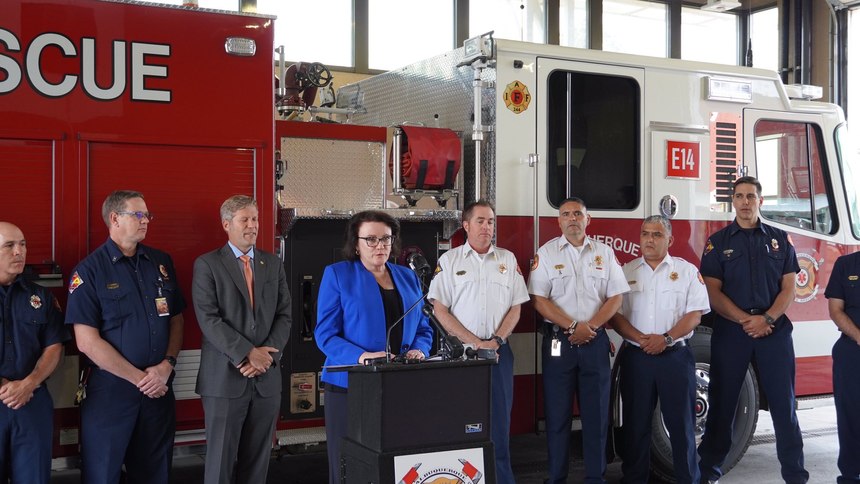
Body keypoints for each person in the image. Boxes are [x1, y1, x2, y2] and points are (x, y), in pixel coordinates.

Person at [65, 190, 185, 484]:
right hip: (112, 393)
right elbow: (86, 341)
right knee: (102, 474)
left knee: (155, 473)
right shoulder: (89, 271)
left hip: (158, 388)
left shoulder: (161, 262)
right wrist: (139, 379)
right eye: (138, 215)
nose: (146, 221)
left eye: (147, 215)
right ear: (114, 218)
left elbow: (177, 319)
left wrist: (166, 365)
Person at [697, 176, 808, 484]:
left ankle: (796, 477)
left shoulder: (779, 239)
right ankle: (708, 475)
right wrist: (746, 320)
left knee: (784, 409)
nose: (745, 202)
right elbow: (713, 292)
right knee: (722, 405)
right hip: (733, 331)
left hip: (774, 331)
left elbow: (789, 288)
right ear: (732, 201)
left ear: (761, 201)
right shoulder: (718, 243)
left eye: (751, 196)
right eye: (739, 196)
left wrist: (768, 319)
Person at [315, 210, 434, 484]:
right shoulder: (337, 275)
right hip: (350, 385)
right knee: (349, 465)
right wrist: (362, 356)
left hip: (398, 383)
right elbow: (325, 335)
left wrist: (420, 350)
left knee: (395, 461)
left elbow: (424, 328)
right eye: (370, 239)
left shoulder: (407, 276)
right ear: (355, 244)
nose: (379, 245)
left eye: (385, 239)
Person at [191, 195, 292, 484]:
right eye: (244, 219)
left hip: (266, 380)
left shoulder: (271, 264)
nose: (252, 225)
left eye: (255, 219)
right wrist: (248, 353)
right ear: (226, 224)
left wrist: (267, 357)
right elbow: (209, 319)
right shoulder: (207, 264)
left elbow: (285, 315)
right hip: (224, 380)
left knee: (258, 462)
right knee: (220, 463)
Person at [528, 197, 629, 484]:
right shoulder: (546, 254)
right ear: (558, 221)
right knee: (557, 417)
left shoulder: (605, 254)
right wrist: (573, 326)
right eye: (566, 215)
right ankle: (556, 478)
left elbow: (616, 296)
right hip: (560, 343)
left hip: (595, 342)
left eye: (577, 214)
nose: (572, 219)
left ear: (588, 220)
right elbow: (539, 299)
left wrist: (592, 326)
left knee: (596, 418)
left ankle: (595, 478)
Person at [428, 200, 529, 484]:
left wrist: (496, 340)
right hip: (461, 357)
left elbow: (516, 307)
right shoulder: (449, 262)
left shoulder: (507, 261)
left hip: (498, 353)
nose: (487, 227)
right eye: (481, 221)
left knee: (499, 425)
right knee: (460, 424)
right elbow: (439, 309)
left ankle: (502, 479)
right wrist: (474, 342)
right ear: (466, 225)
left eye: (491, 222)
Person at [609, 216, 709, 484]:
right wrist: (641, 339)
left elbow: (695, 315)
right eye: (645, 234)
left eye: (656, 234)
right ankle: (634, 479)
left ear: (670, 240)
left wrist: (665, 339)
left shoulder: (687, 271)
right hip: (637, 358)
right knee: (636, 426)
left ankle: (689, 480)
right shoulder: (626, 272)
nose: (649, 239)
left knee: (681, 426)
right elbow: (615, 316)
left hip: (675, 358)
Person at [0, 222, 68, 484]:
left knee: (34, 477)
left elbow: (54, 346)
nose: (19, 252)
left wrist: (29, 384)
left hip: (31, 401)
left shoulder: (40, 296)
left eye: (23, 244)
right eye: (9, 246)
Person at [823, 253, 860, 484]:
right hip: (851, 350)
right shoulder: (846, 264)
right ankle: (850, 476)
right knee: (850, 416)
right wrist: (858, 336)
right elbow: (835, 309)